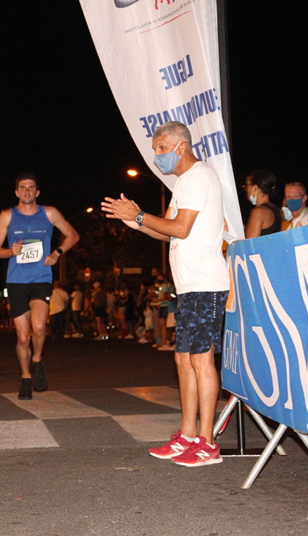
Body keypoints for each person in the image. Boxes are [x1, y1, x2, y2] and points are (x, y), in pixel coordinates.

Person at [101, 120, 229, 467]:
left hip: (205, 284)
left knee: (201, 360)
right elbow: (167, 231)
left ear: (181, 147)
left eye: (161, 148)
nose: (157, 156)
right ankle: (187, 436)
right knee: (183, 360)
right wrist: (134, 221)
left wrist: (141, 215)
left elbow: (181, 229)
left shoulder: (200, 176)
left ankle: (207, 442)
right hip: (188, 286)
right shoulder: (183, 182)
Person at [0, 171, 80, 400]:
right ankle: (26, 377)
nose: (27, 191)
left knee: (39, 327)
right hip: (16, 281)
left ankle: (37, 359)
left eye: (31, 187)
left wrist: (57, 253)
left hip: (41, 278)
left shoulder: (49, 213)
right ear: (16, 192)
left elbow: (73, 235)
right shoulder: (7, 216)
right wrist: (10, 251)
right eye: (23, 187)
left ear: (37, 192)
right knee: (22, 337)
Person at [242, 169, 281, 238]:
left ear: (255, 188)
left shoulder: (259, 212)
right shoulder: (278, 210)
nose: (246, 189)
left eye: (247, 185)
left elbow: (251, 242)